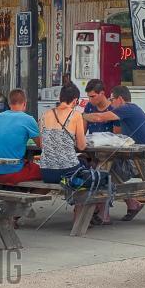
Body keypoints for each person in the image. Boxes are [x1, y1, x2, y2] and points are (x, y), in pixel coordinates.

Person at [41, 81, 112, 225]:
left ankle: (85, 214)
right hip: (67, 171)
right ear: (75, 100)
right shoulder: (76, 115)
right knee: (88, 168)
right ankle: (81, 215)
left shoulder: (45, 115)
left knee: (82, 165)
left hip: (46, 172)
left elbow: (43, 144)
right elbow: (81, 145)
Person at [85, 84, 145, 220]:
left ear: (121, 99)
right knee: (103, 167)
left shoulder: (128, 108)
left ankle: (102, 213)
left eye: (112, 99)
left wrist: (81, 116)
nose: (111, 103)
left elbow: (99, 118)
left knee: (102, 169)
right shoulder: (128, 112)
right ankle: (131, 204)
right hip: (136, 158)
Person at [0, 89, 42, 185]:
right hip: (14, 172)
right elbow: (42, 145)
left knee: (26, 163)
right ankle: (28, 198)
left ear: (9, 104)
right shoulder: (28, 119)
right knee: (47, 173)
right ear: (25, 104)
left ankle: (22, 196)